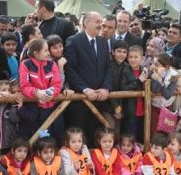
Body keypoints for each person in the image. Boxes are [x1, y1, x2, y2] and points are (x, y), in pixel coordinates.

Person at [64, 11, 112, 143]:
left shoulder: (103, 42)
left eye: (101, 21)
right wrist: (85, 89)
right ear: (86, 23)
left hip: (99, 99)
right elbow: (70, 69)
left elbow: (108, 67)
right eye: (97, 21)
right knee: (78, 135)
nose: (100, 24)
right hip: (80, 100)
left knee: (96, 134)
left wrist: (106, 88)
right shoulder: (73, 41)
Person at [20, 38, 63, 144]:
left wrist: (51, 93)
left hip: (53, 106)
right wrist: (37, 92)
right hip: (35, 108)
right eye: (46, 50)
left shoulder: (52, 64)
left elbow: (57, 84)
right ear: (36, 53)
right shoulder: (25, 64)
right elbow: (24, 86)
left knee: (58, 134)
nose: (48, 53)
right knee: (43, 137)